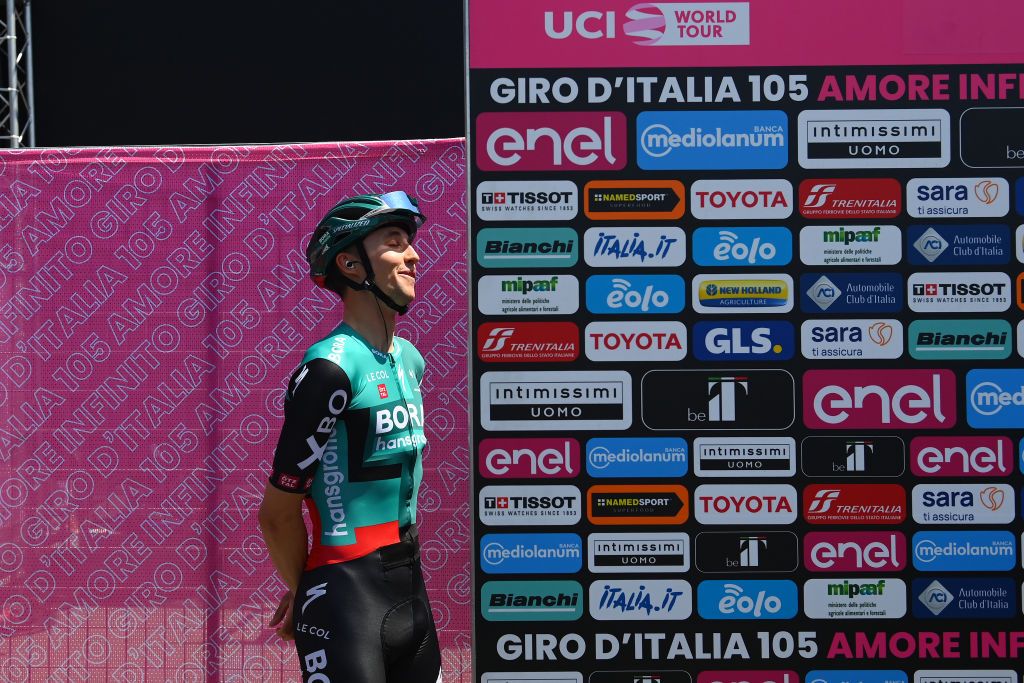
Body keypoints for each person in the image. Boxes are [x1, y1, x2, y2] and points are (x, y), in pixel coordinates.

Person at [258, 190, 441, 683]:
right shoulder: (330, 369)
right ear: (351, 263)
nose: (414, 254)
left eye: (411, 241)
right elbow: (276, 513)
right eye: (395, 241)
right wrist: (309, 589)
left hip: (409, 586)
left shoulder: (409, 359)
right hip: (345, 594)